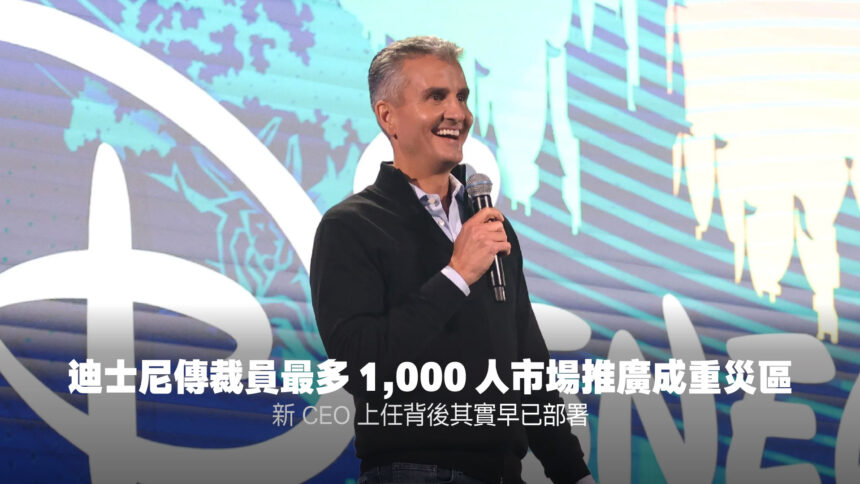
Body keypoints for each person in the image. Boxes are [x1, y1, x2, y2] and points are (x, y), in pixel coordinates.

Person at [310, 36, 593, 484]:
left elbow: (528, 368)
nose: (457, 113)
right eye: (436, 97)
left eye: (461, 96)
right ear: (387, 116)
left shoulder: (488, 225)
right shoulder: (352, 226)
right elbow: (358, 368)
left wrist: (573, 473)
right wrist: (456, 275)